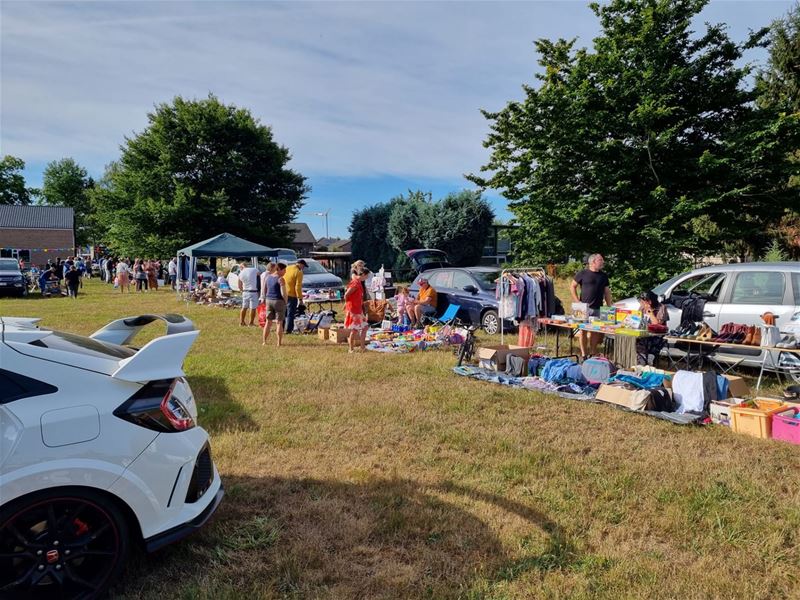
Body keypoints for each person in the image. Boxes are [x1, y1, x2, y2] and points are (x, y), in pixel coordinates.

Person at [571, 253, 612, 359]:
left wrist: (609, 306)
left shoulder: (603, 276)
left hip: (598, 308)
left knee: (595, 332)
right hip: (582, 308)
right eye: (600, 260)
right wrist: (577, 302)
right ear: (593, 262)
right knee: (582, 331)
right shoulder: (583, 273)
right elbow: (572, 286)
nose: (603, 262)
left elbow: (607, 292)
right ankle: (584, 355)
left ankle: (593, 353)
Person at [637, 290, 668, 365]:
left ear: (649, 302)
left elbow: (657, 324)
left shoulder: (662, 308)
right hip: (644, 334)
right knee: (632, 340)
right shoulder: (642, 307)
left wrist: (650, 312)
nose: (641, 304)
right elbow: (636, 319)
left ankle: (646, 360)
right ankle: (639, 359)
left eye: (642, 302)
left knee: (648, 343)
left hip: (656, 337)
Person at [345, 265, 371, 353]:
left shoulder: (359, 282)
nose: (367, 278)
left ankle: (362, 347)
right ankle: (351, 349)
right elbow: (346, 295)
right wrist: (348, 305)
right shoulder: (355, 283)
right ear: (363, 274)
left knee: (365, 327)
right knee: (355, 329)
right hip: (354, 310)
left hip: (358, 309)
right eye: (367, 276)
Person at [261, 263, 288, 347]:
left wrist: (265, 299)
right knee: (279, 322)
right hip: (278, 301)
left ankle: (264, 342)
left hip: (269, 300)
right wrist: (286, 301)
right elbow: (283, 293)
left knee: (268, 322)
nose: (285, 272)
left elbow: (264, 290)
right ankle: (279, 343)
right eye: (284, 270)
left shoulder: (267, 277)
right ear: (279, 269)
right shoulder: (281, 279)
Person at [283, 259, 307, 334]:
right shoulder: (299, 272)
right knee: (290, 313)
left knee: (283, 312)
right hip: (292, 295)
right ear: (300, 264)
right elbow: (298, 287)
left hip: (284, 293)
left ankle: (281, 327)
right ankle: (288, 330)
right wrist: (300, 298)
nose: (303, 268)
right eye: (303, 266)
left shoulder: (287, 268)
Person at [238, 260, 260, 326]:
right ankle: (251, 323)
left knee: (244, 307)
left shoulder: (240, 274)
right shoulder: (254, 269)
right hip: (253, 291)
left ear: (241, 267)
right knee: (252, 308)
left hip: (245, 291)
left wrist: (242, 291)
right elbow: (259, 275)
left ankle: (241, 322)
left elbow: (239, 286)